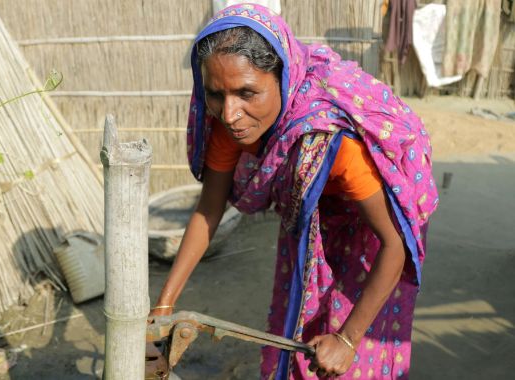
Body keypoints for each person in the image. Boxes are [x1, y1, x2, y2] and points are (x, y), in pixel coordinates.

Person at [150, 4, 438, 379]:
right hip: (310, 209)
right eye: (215, 94)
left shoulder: (330, 140)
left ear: (282, 79)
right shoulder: (225, 122)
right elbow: (208, 211)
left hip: (373, 225)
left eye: (247, 93)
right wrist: (163, 307)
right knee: (299, 321)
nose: (230, 112)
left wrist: (348, 339)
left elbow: (394, 243)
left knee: (349, 348)